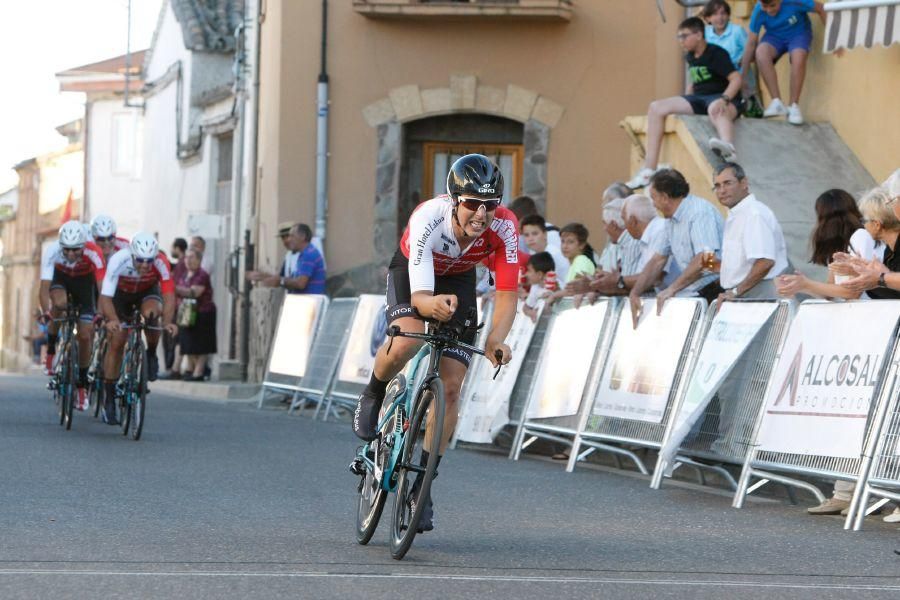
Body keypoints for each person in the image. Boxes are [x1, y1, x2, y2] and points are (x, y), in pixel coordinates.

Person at [352, 154, 517, 533]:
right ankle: (374, 394)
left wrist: (496, 339)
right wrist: (431, 307)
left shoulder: (505, 226)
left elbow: (508, 293)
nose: (481, 214)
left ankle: (422, 488)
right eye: (473, 203)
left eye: (489, 205)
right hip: (414, 275)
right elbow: (423, 295)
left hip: (459, 280)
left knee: (453, 388)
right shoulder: (430, 217)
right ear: (455, 200)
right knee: (407, 341)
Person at [627, 16, 743, 190]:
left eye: (684, 36)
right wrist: (686, 100)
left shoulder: (716, 53)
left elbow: (736, 79)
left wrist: (724, 99)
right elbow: (694, 81)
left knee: (715, 109)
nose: (681, 41)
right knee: (656, 107)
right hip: (700, 99)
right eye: (679, 37)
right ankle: (648, 170)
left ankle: (728, 148)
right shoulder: (690, 55)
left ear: (698, 35)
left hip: (723, 97)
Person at [99, 233, 178, 424]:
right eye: (140, 261)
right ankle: (109, 397)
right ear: (132, 255)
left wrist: (168, 322)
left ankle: (151, 353)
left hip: (146, 292)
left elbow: (168, 296)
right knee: (117, 341)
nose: (144, 265)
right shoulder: (119, 259)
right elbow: (106, 296)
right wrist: (111, 319)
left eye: (148, 261)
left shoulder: (161, 262)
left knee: (152, 314)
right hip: (120, 295)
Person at [629, 169, 724, 325]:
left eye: (653, 198)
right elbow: (657, 260)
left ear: (665, 198)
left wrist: (672, 289)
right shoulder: (669, 221)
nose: (653, 205)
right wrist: (635, 292)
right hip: (695, 293)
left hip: (714, 292)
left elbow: (707, 259)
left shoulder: (699, 212)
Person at [39, 220, 107, 410]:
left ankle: (82, 385)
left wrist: (101, 313)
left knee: (85, 336)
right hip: (61, 279)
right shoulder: (52, 251)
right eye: (66, 249)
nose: (70, 254)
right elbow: (44, 288)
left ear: (84, 245)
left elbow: (103, 289)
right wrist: (46, 311)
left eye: (76, 250)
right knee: (59, 305)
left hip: (85, 285)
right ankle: (51, 350)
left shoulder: (94, 252)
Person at [775, 188, 881, 301]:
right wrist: (800, 285)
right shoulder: (840, 245)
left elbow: (853, 292)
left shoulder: (860, 236)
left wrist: (807, 284)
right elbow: (829, 294)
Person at [741, 0, 827, 126]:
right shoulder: (759, 10)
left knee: (798, 57)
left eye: (773, 5)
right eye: (765, 6)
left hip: (798, 34)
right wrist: (742, 74)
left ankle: (793, 106)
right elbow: (751, 43)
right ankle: (777, 102)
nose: (769, 10)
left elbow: (821, 8)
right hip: (774, 37)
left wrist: (834, 38)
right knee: (761, 52)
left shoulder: (795, 2)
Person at [713, 162, 789, 301]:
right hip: (742, 292)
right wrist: (712, 265)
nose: (722, 190)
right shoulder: (736, 214)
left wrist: (736, 292)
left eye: (727, 183)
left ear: (744, 183)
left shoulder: (754, 214)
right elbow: (739, 266)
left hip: (758, 292)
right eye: (717, 186)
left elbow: (765, 261)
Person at [174, 249, 217, 381]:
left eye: (192, 257)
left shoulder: (202, 275)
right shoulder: (185, 275)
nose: (188, 260)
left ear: (199, 260)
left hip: (203, 312)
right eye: (186, 257)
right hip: (187, 312)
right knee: (188, 343)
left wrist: (174, 289)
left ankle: (198, 372)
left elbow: (194, 293)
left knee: (202, 344)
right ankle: (191, 369)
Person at [247, 223, 326, 294]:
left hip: (309, 304)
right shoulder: (301, 254)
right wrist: (262, 276)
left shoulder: (308, 254)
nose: (288, 239)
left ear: (302, 237)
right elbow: (286, 278)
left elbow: (300, 283)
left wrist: (280, 281)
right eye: (284, 237)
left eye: (291, 236)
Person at [519, 214, 568, 282]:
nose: (530, 238)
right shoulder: (533, 252)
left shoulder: (554, 254)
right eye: (526, 235)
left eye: (535, 234)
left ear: (545, 234)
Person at [703, 0, 748, 71]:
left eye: (723, 13)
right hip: (716, 77)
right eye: (715, 14)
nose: (720, 17)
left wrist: (742, 60)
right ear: (708, 18)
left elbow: (751, 52)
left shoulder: (737, 31)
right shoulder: (705, 33)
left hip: (739, 76)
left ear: (728, 16)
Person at [521, 251, 555, 323]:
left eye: (529, 271)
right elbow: (525, 308)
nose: (526, 274)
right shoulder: (535, 287)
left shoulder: (555, 285)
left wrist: (554, 296)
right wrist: (531, 313)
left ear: (539, 274)